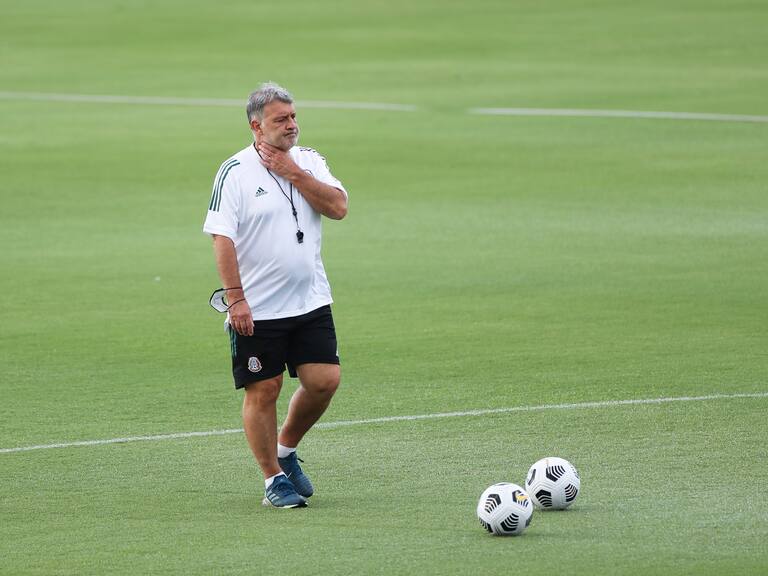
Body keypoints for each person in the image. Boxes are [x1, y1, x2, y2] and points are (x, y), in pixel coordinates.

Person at [203, 82, 348, 508]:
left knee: (324, 381)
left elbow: (338, 207)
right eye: (280, 120)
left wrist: (294, 174)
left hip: (310, 300)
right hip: (258, 307)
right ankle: (272, 478)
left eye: (293, 117)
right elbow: (222, 238)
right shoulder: (234, 172)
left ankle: (286, 448)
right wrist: (236, 298)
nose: (292, 126)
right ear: (256, 126)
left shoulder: (309, 161)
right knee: (263, 390)